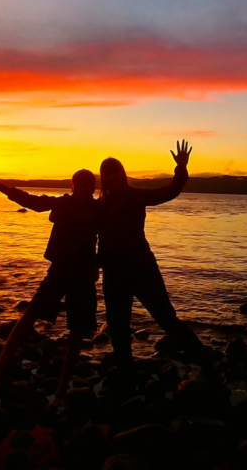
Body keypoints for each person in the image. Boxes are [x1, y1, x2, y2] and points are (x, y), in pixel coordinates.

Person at [0, 161, 99, 403]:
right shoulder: (62, 203)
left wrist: (96, 266)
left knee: (76, 335)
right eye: (80, 184)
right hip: (58, 272)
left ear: (94, 188)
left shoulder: (99, 209)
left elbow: (112, 239)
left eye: (89, 185)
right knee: (25, 320)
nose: (84, 188)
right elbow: (28, 200)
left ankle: (60, 393)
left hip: (83, 279)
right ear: (73, 186)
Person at [98, 139, 212, 370]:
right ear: (103, 178)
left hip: (142, 269)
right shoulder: (100, 205)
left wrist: (181, 168)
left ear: (122, 175)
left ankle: (205, 362)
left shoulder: (135, 196)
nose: (111, 178)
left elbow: (169, 192)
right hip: (113, 273)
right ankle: (126, 373)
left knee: (166, 318)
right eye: (107, 174)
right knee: (118, 326)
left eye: (115, 173)